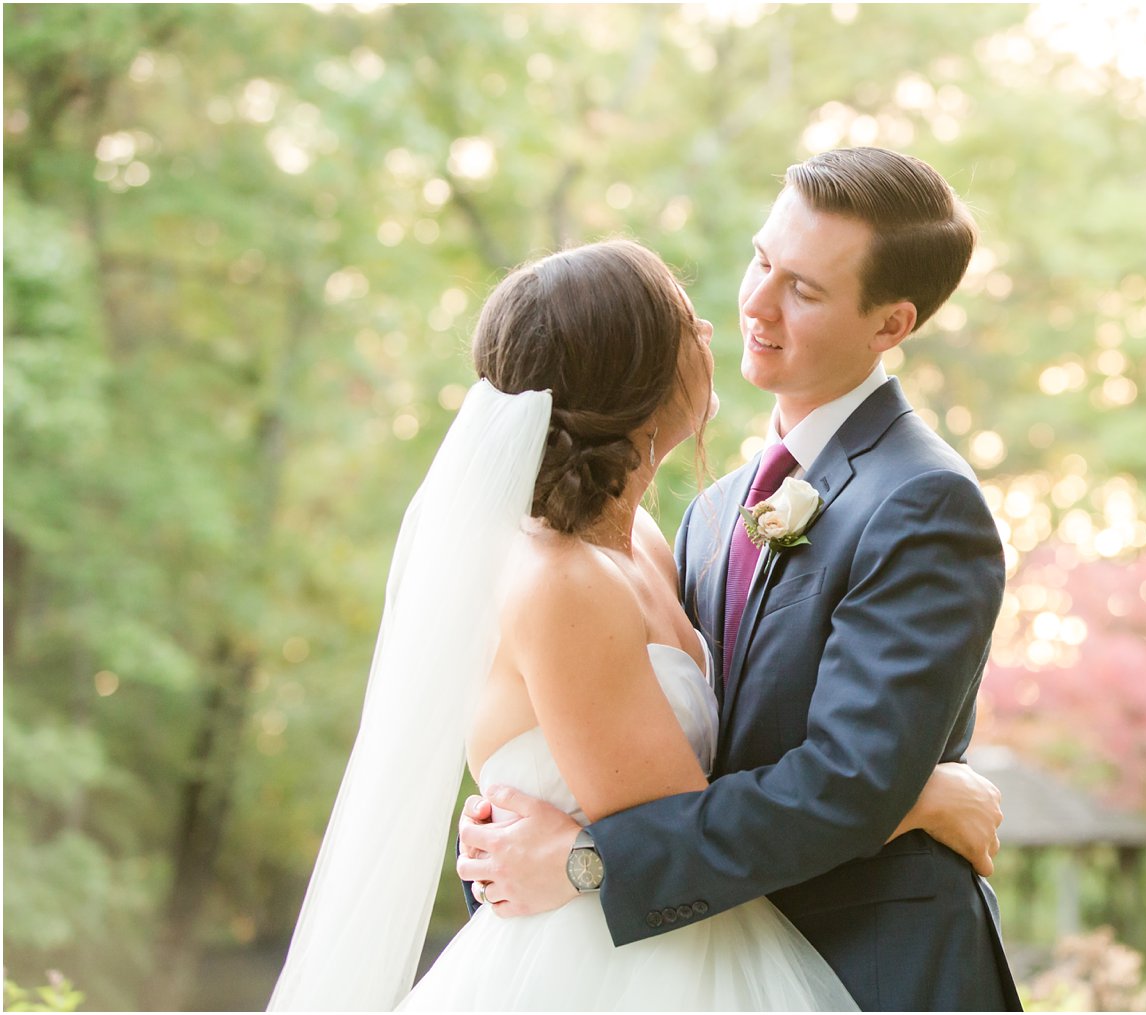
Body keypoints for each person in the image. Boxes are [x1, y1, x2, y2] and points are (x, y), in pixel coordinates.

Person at [268, 238, 993, 1011]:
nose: (715, 329)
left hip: (691, 940)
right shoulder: (558, 577)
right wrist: (914, 798)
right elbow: (680, 824)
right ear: (633, 365)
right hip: (610, 967)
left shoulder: (655, 535)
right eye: (685, 321)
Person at [459, 148, 1023, 1011]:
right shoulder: (714, 511)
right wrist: (519, 838)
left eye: (805, 288)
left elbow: (846, 783)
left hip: (872, 966)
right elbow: (646, 752)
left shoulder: (923, 501)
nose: (754, 305)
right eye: (763, 260)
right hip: (686, 960)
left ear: (890, 324)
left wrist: (583, 862)